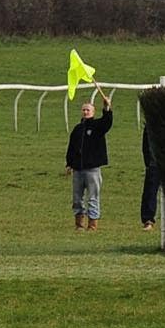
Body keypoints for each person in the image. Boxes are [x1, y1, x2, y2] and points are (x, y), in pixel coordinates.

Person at [64, 88, 113, 232]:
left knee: (93, 197)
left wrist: (107, 107)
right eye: (84, 110)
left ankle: (92, 224)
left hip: (92, 169)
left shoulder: (98, 126)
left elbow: (107, 122)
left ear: (93, 112)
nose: (85, 112)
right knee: (77, 198)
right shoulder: (77, 129)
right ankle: (79, 223)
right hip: (78, 169)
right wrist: (69, 163)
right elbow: (71, 147)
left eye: (88, 110)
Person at [140, 120, 160, 232]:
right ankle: (148, 220)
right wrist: (148, 163)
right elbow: (145, 146)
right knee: (150, 192)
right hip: (154, 164)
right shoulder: (150, 126)